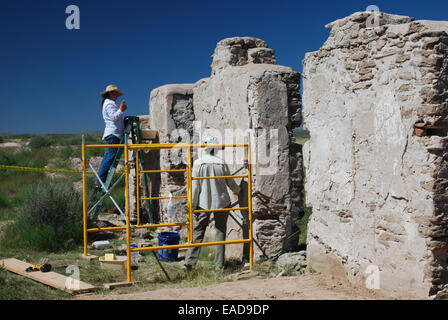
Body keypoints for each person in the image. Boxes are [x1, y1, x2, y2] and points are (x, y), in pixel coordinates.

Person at [184, 136, 241, 270]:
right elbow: (231, 183)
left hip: (203, 203)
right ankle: (219, 265)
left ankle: (190, 263)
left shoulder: (198, 163)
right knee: (221, 232)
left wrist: (191, 205)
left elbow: (195, 188)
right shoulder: (222, 163)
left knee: (198, 232)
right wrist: (238, 190)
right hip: (222, 202)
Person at [97, 84, 127, 185]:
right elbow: (114, 117)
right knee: (110, 158)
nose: (116, 95)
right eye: (114, 93)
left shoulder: (109, 103)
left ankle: (101, 178)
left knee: (108, 157)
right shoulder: (109, 104)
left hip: (114, 134)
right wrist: (121, 110)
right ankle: (100, 179)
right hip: (113, 134)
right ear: (110, 93)